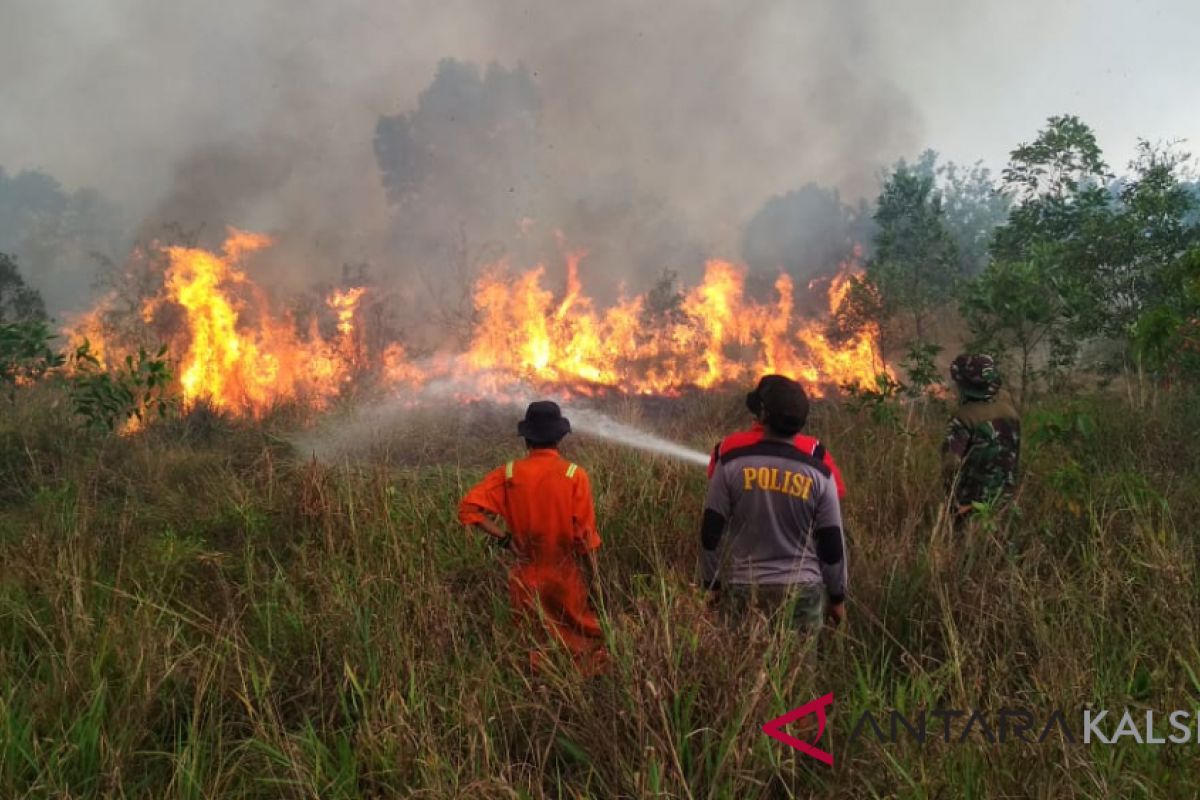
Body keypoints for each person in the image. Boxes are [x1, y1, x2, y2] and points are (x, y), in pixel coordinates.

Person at [458, 401, 607, 673]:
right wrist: (596, 586)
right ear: (560, 438)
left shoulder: (510, 473)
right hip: (566, 579)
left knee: (536, 651)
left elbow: (468, 508)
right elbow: (586, 539)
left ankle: (540, 692)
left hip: (526, 581)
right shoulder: (575, 476)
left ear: (527, 439)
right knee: (583, 646)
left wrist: (503, 538)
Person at [700, 375, 847, 631]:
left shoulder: (730, 461)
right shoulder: (821, 473)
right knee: (797, 670)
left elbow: (710, 531)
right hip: (802, 593)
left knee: (743, 668)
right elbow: (832, 542)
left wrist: (711, 585)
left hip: (745, 589)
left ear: (762, 416)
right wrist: (837, 597)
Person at [707, 375, 847, 500]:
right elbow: (837, 492)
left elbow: (715, 482)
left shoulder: (727, 447)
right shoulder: (814, 451)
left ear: (762, 413)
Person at [942, 354, 1021, 522]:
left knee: (966, 545)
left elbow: (950, 464)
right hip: (1005, 497)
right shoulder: (1009, 408)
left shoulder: (963, 417)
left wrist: (953, 499)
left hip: (971, 504)